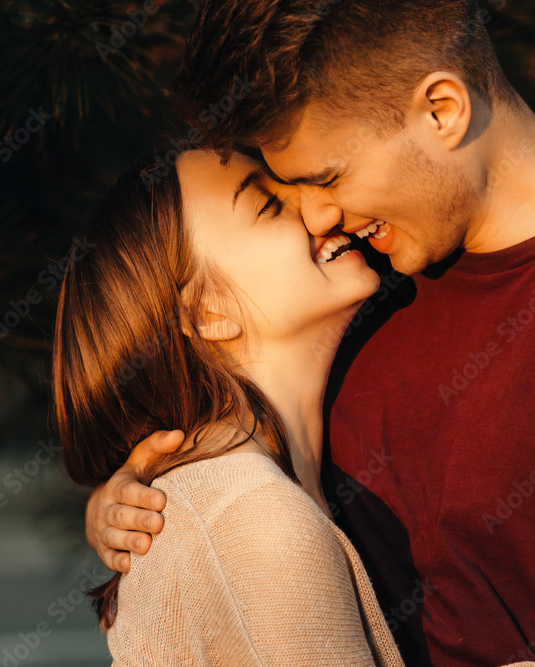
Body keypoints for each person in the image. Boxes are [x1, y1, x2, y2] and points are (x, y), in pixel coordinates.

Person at [84, 1, 535, 666]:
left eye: (328, 179)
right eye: (286, 193)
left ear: (442, 109)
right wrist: (146, 506)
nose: (317, 217)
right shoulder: (352, 279)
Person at [52, 148, 413, 665]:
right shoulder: (255, 521)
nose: (318, 208)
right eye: (268, 206)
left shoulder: (253, 497)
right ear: (206, 312)